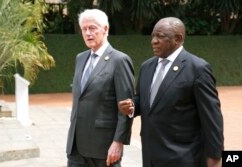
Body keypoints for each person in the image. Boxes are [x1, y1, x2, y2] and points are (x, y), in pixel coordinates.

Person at [118, 17, 224, 167]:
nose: (153, 41)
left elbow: (212, 118)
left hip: (184, 157)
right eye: (153, 36)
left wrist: (215, 157)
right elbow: (144, 100)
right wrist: (132, 106)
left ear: (178, 38)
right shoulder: (146, 67)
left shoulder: (198, 69)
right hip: (150, 156)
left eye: (160, 36)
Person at [66, 9, 134, 167]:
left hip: (104, 148)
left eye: (92, 28)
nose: (88, 33)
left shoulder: (119, 60)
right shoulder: (80, 58)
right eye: (84, 29)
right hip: (76, 146)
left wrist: (118, 142)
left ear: (106, 29)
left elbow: (126, 107)